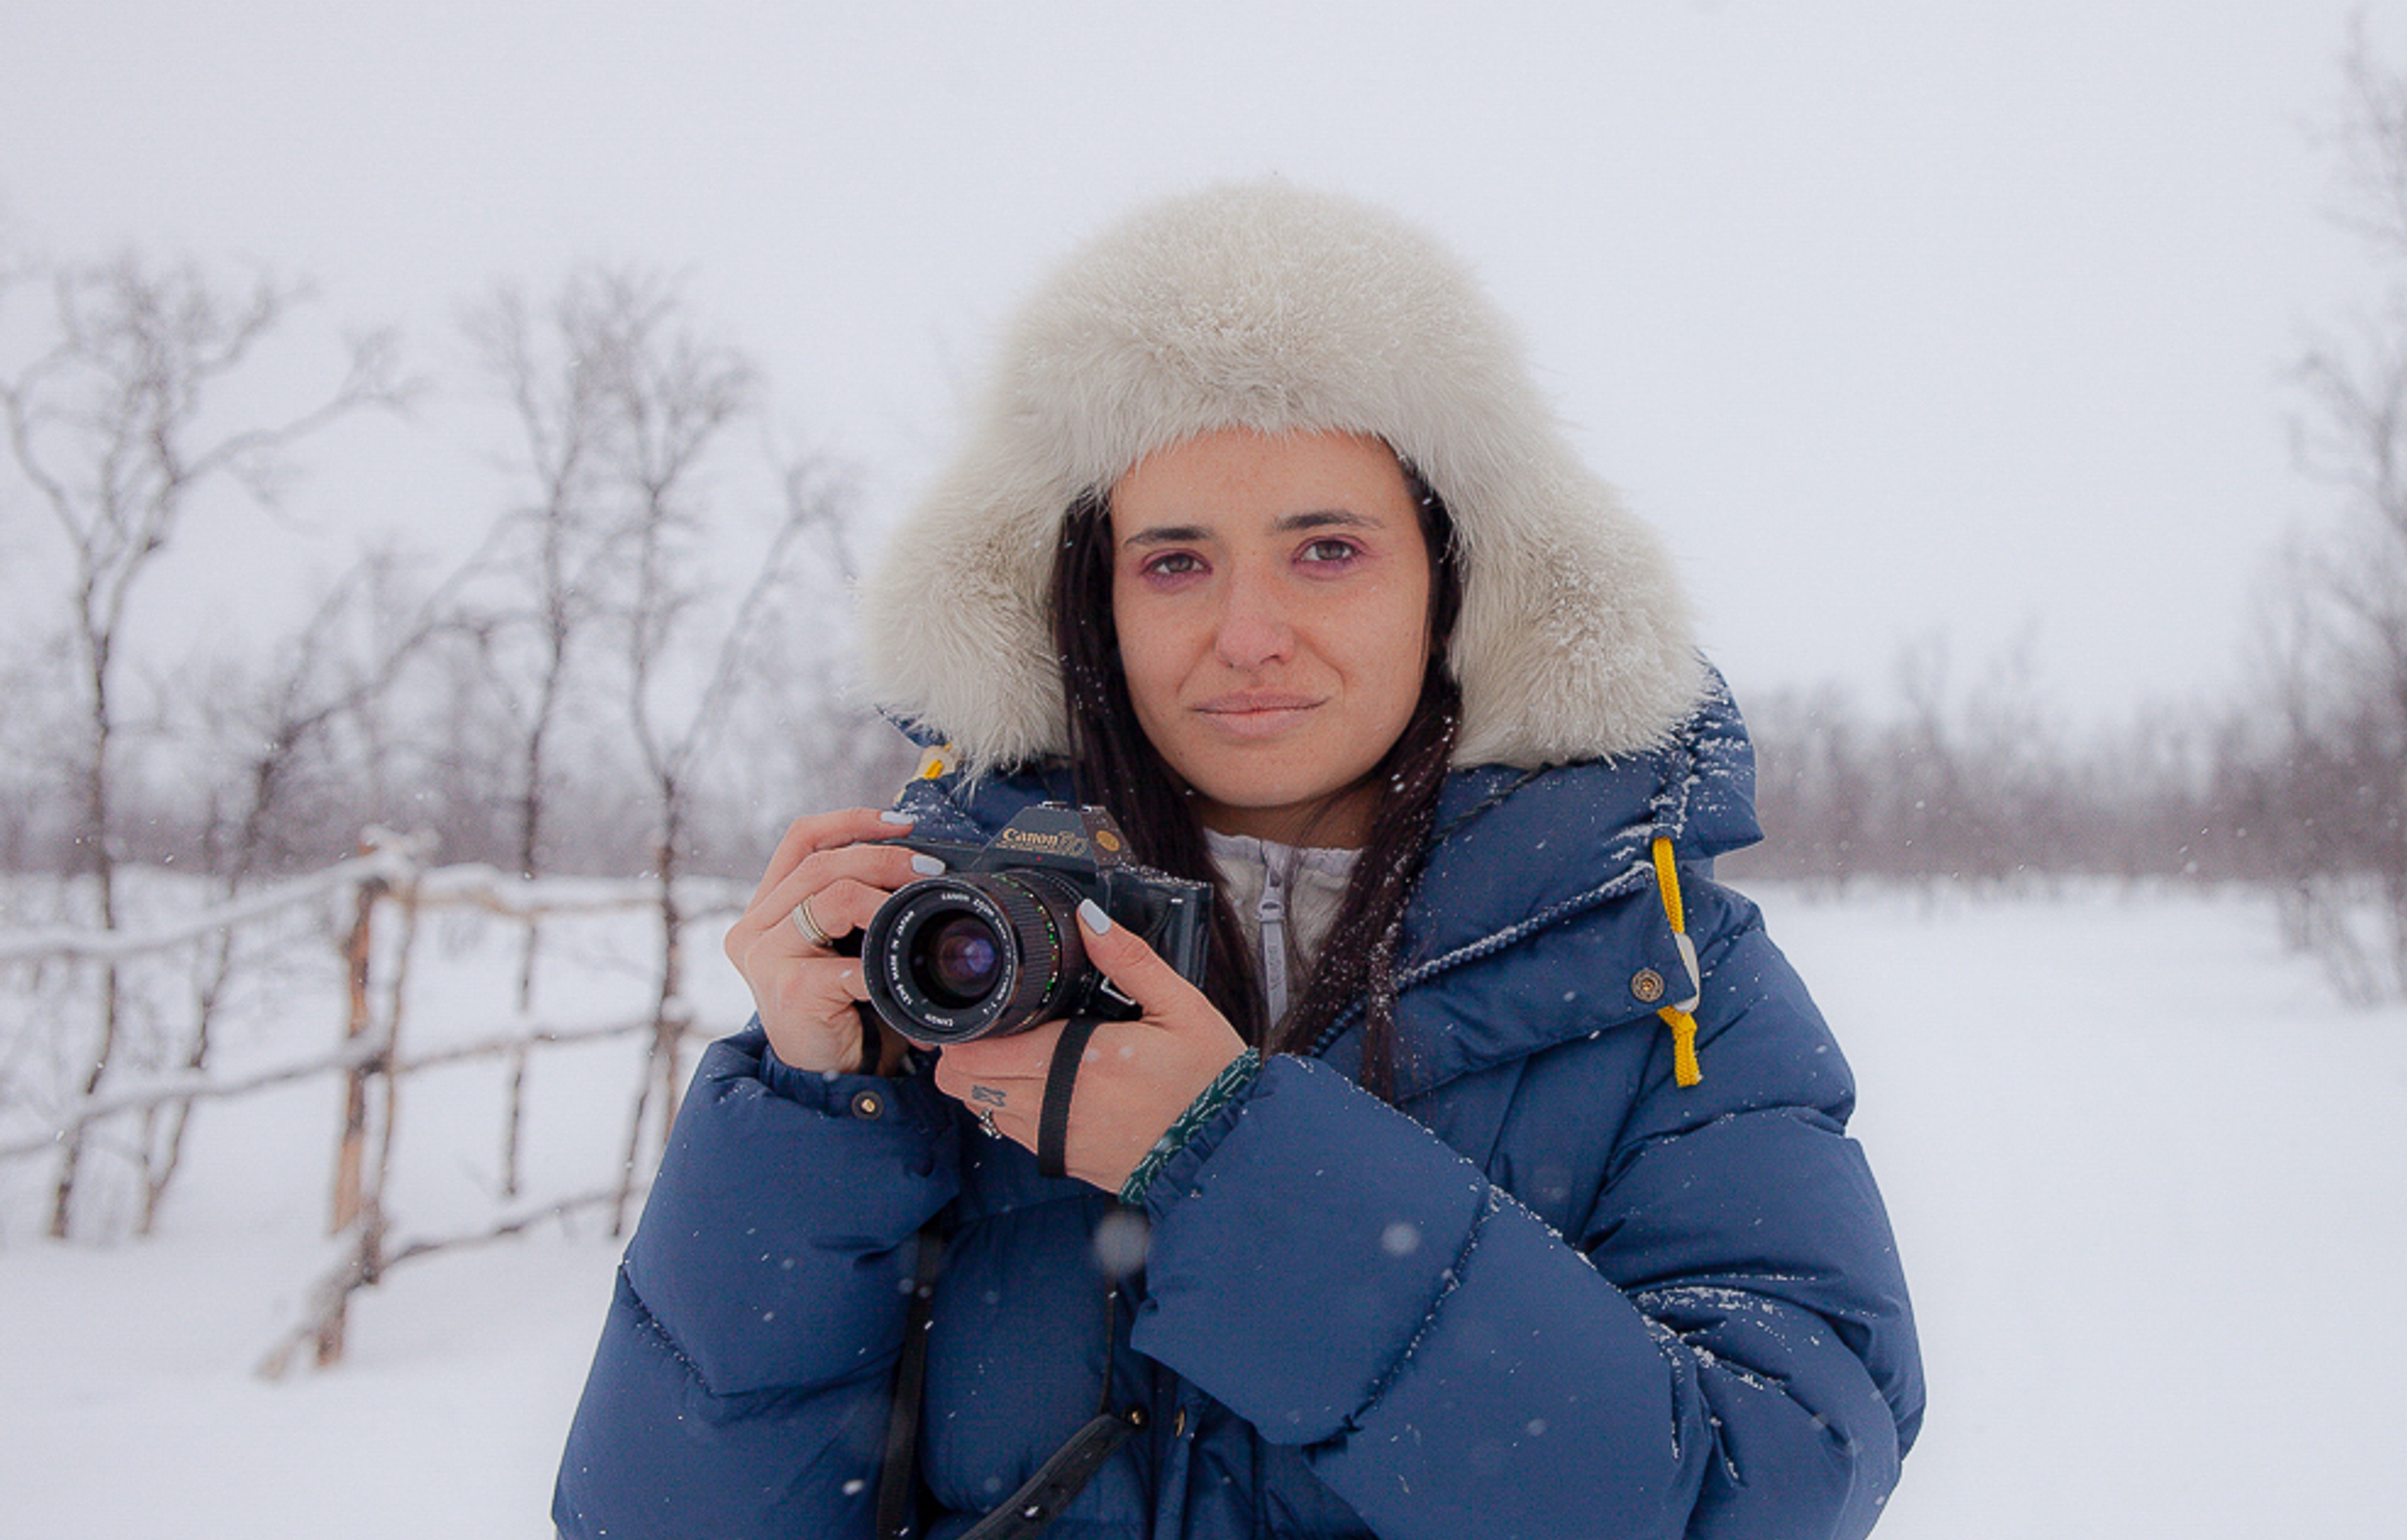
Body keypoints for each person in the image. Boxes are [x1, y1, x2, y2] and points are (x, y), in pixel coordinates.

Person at [553, 180, 1923, 1539]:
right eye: (1173, 562)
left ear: (1455, 584)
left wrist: (1224, 1163)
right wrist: (806, 1123)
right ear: (1085, 599)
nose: (1249, 633)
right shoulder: (948, 961)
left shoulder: (1660, 974)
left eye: (1326, 550)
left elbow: (1763, 1484)